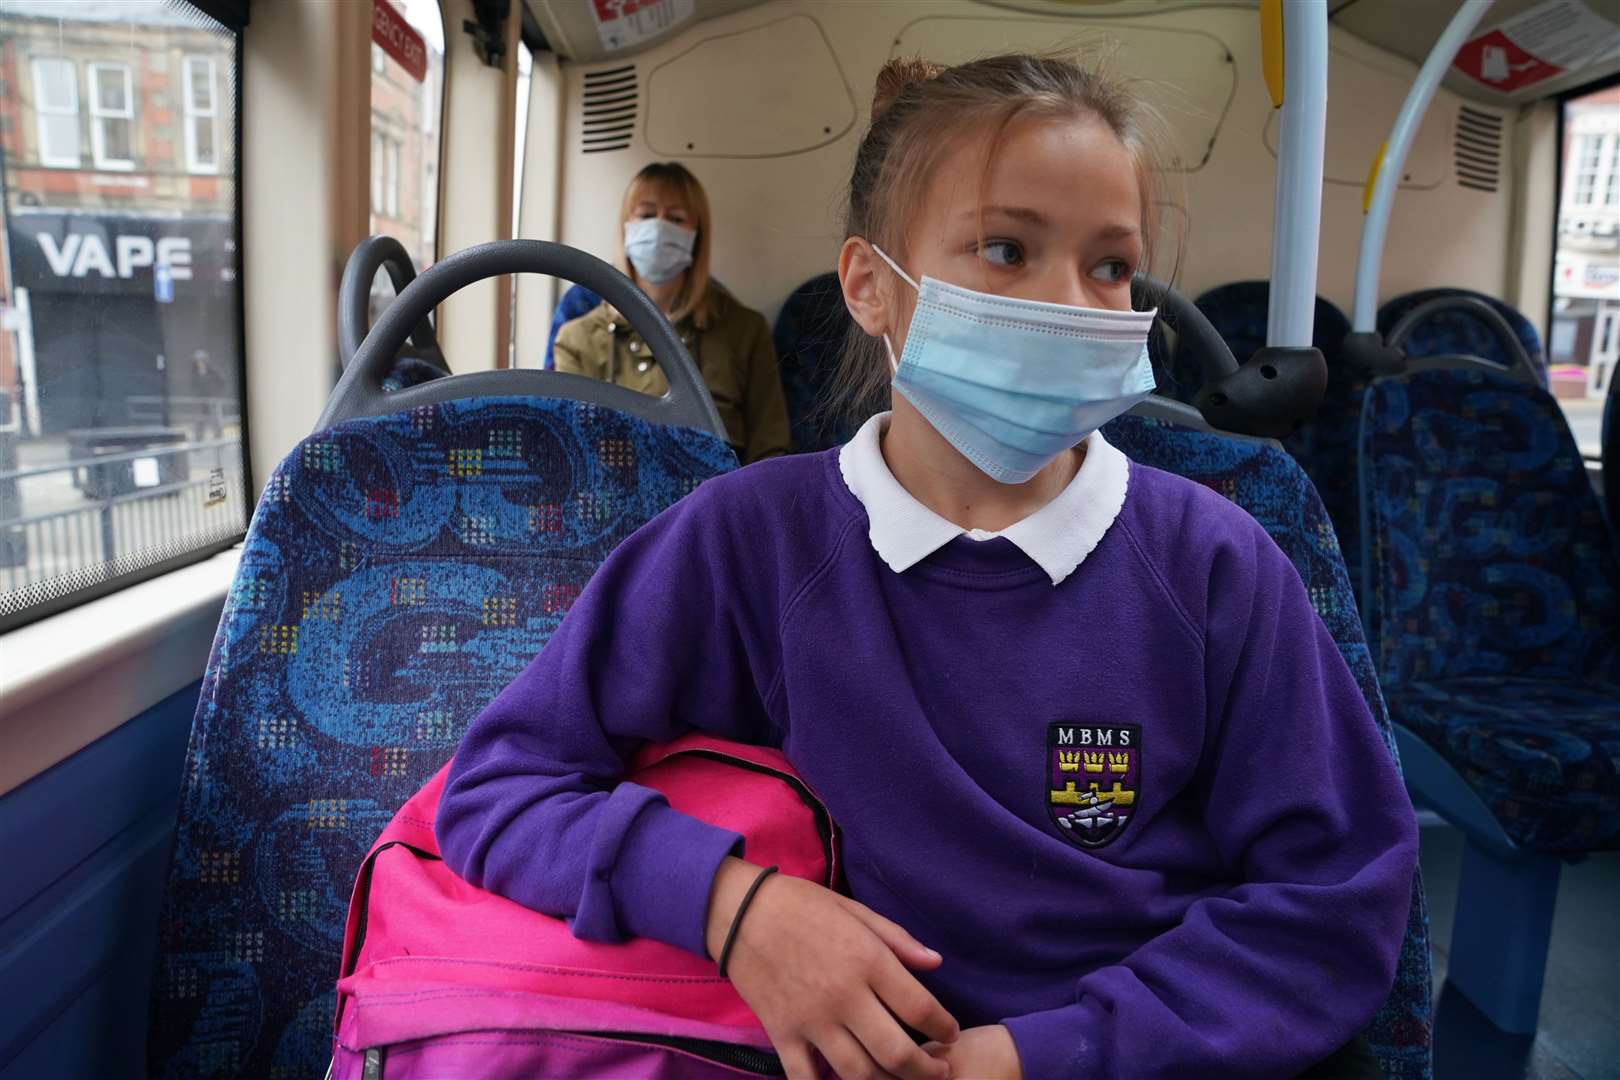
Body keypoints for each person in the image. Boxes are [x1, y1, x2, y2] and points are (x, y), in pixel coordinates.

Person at [437, 54, 1417, 1080]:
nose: (1074, 305)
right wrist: (738, 909)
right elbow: (500, 787)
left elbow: (1339, 900)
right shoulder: (752, 541)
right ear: (870, 286)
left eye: (1111, 266)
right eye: (1004, 248)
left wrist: (1046, 1053)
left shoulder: (1215, 564)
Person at [553, 161, 791, 463]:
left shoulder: (744, 332)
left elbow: (769, 450)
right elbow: (571, 453)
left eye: (676, 218)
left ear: (697, 236)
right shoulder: (578, 340)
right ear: (626, 227)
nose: (659, 228)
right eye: (647, 215)